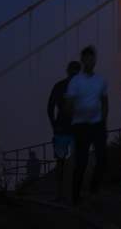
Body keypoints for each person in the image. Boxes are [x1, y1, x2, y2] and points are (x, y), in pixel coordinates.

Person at [66, 46, 108, 206]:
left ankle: (93, 190)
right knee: (81, 161)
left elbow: (105, 101)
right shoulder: (76, 81)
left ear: (95, 60)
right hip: (80, 126)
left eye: (93, 58)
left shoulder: (101, 80)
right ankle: (75, 196)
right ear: (83, 60)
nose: (90, 61)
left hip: (97, 124)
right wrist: (75, 117)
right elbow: (69, 104)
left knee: (102, 159)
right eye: (87, 58)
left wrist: (103, 119)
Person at [47, 60, 81, 201]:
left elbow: (50, 107)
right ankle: (72, 194)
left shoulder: (59, 86)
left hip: (62, 128)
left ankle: (60, 194)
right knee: (77, 162)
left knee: (61, 161)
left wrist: (54, 125)